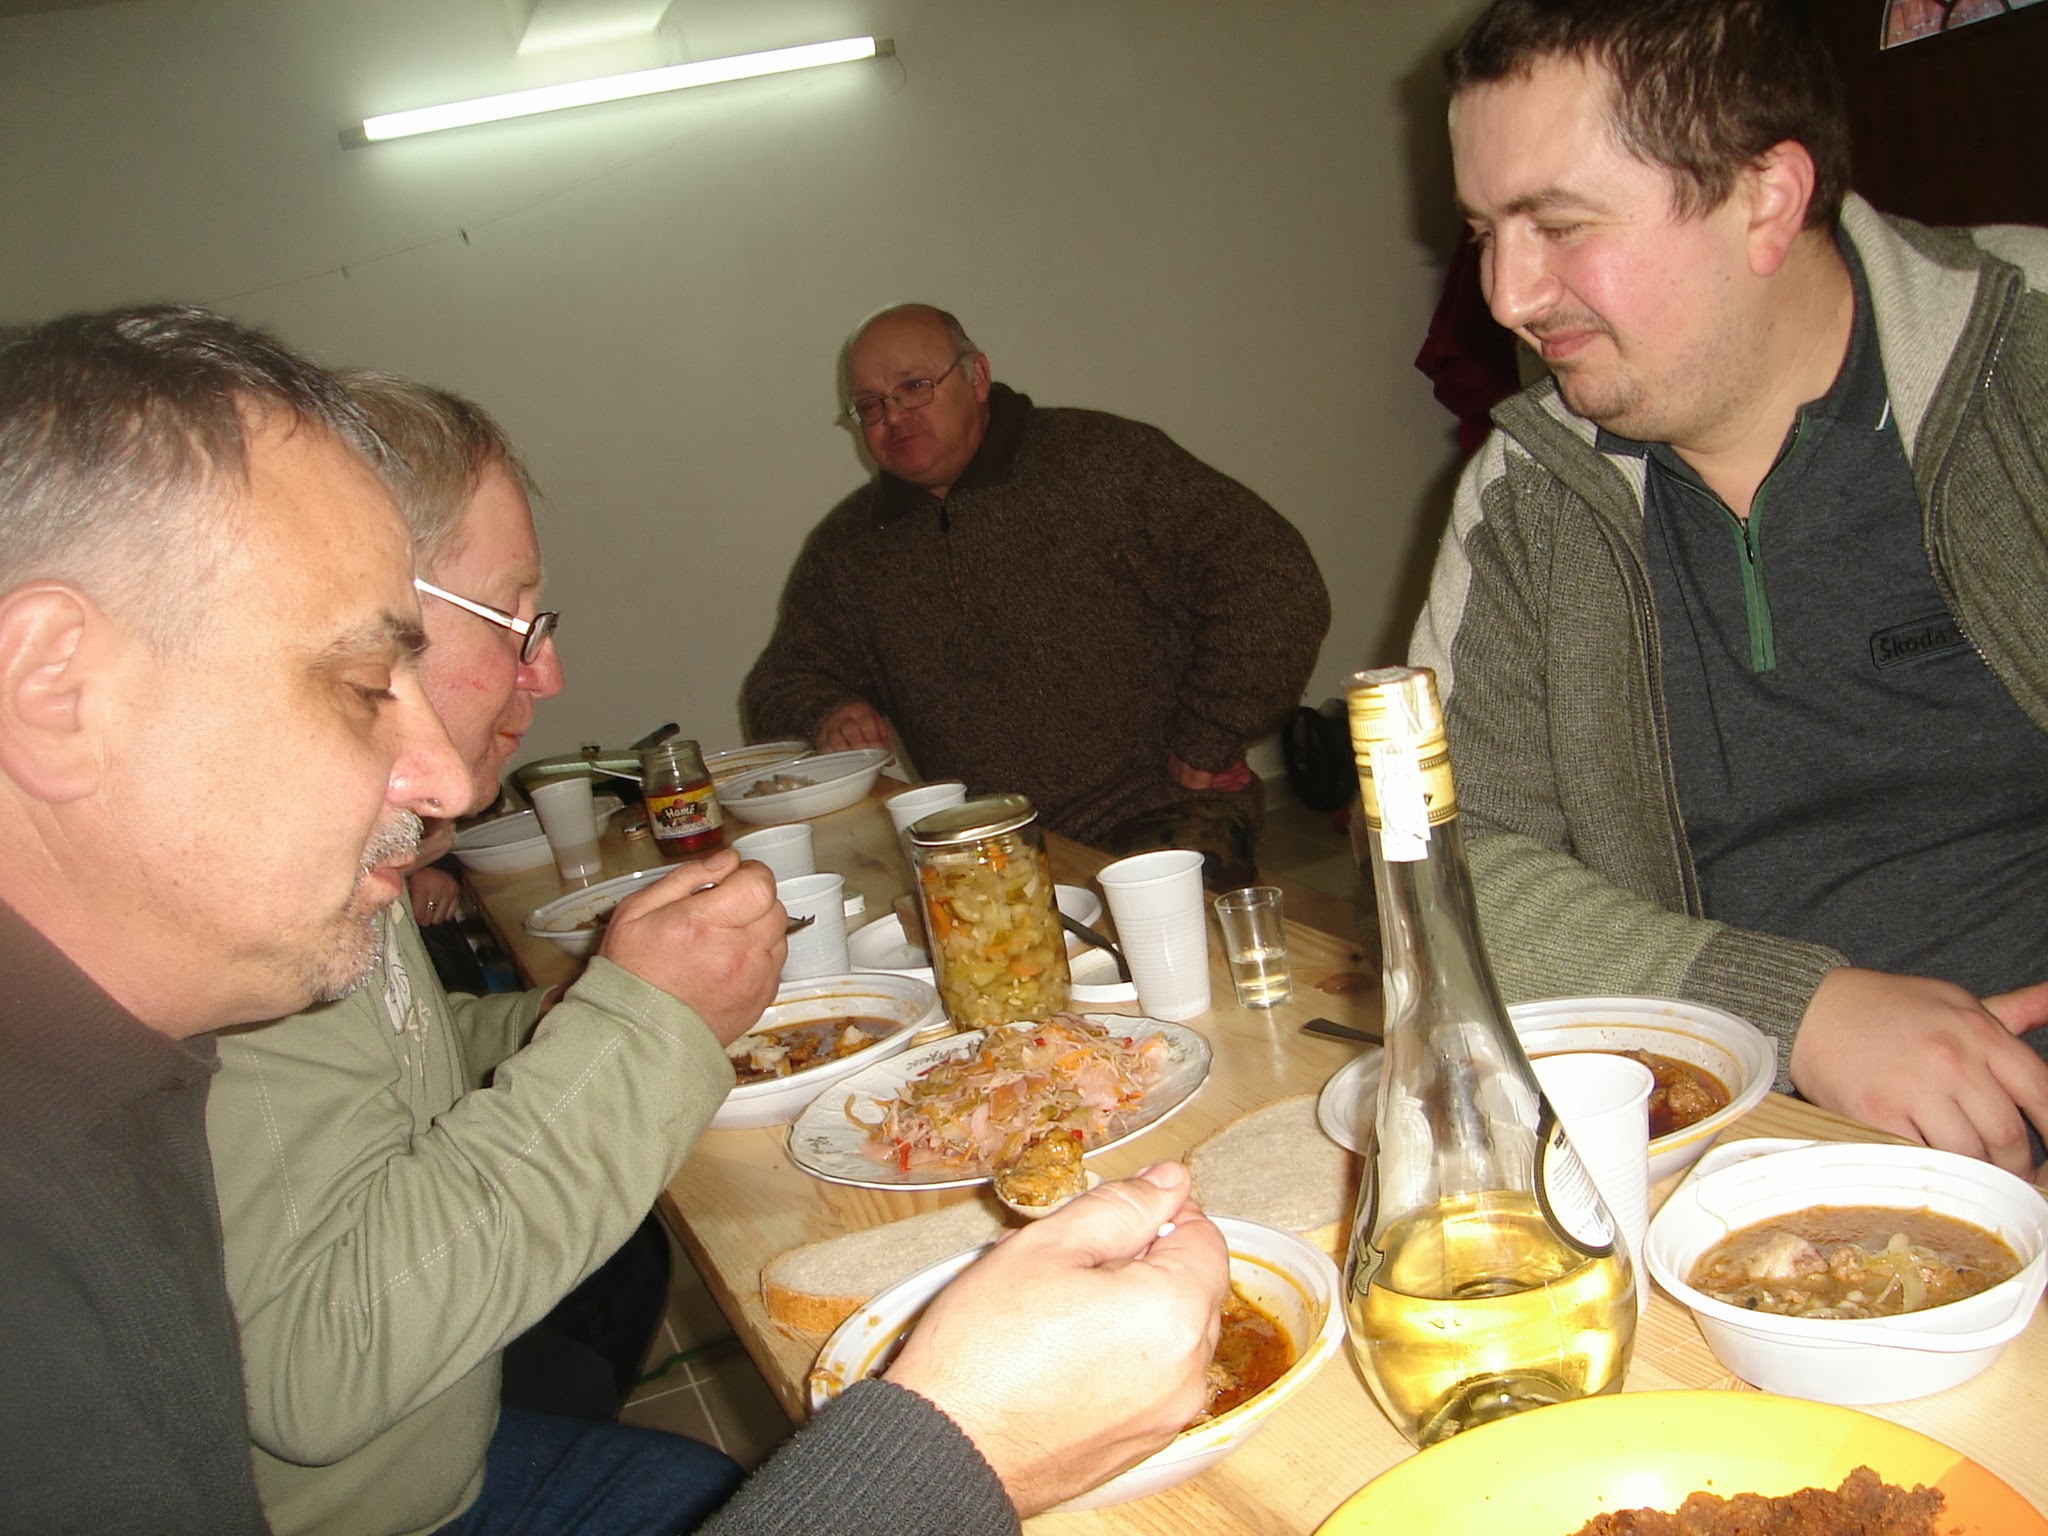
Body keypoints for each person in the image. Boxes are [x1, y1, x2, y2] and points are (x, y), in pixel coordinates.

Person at [207, 374, 1232, 1535]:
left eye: (913, 388)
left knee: (680, 1380)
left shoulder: (349, 845)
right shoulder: (266, 906)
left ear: (975, 378)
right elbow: (325, 1362)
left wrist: (600, 1007)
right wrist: (641, 1021)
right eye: (513, 619)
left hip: (459, 1449)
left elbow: (407, 1060)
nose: (548, 675)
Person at [1413, 0, 2048, 1178]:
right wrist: (1793, 1011)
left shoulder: (2028, 353)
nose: (1503, 294)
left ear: (1764, 198)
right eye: (1483, 231)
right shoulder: (1524, 490)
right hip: (1722, 1136)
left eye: (1557, 225)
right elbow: (1438, 855)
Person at [0, 305, 474, 1534]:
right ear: (54, 690)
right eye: (363, 684)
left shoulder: (121, 1066)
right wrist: (921, 1448)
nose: (447, 783)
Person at [742, 303, 1330, 888]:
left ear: (976, 377)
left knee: (1139, 933)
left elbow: (1273, 578)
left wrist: (1209, 732)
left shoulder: (1105, 462)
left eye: (914, 387)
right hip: (982, 840)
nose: (893, 416)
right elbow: (779, 683)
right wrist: (827, 712)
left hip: (1156, 811)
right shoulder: (849, 547)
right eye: (870, 405)